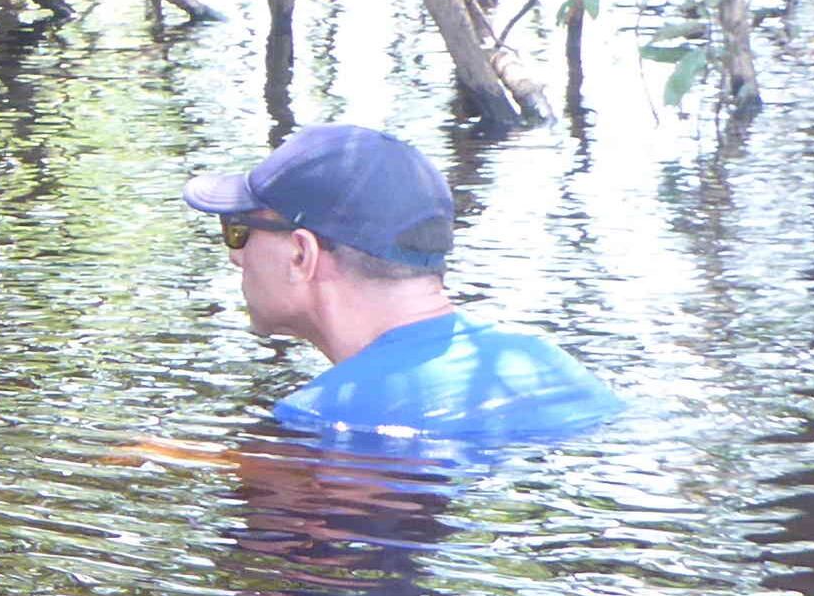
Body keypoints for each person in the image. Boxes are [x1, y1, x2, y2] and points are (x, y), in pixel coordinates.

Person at [182, 123, 620, 446]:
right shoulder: (551, 365)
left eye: (238, 231)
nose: (236, 255)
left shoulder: (328, 417)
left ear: (302, 255)